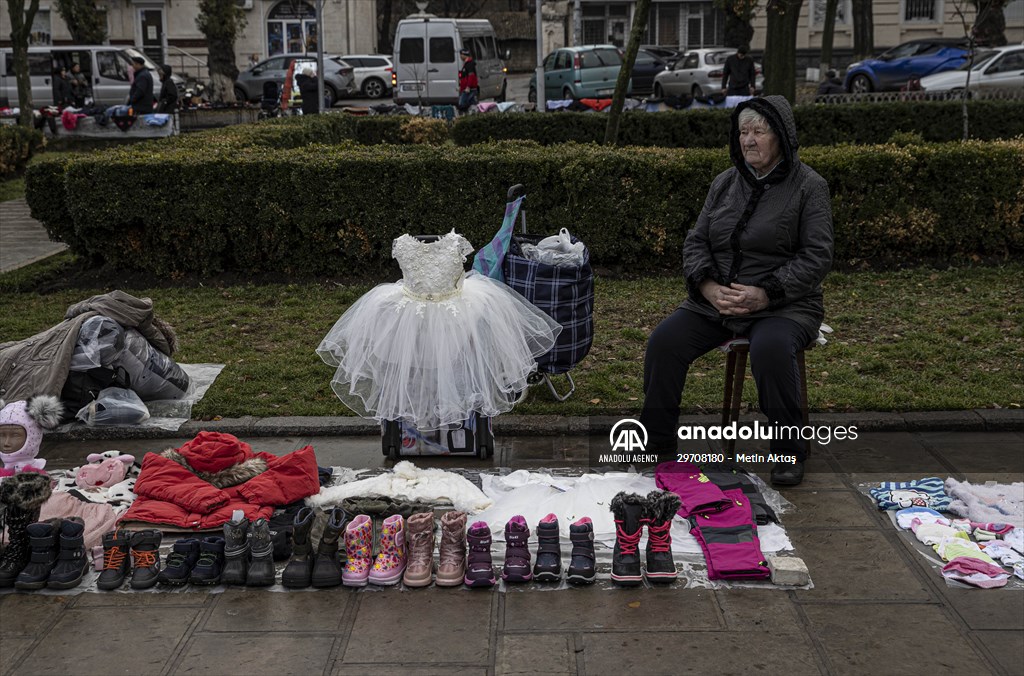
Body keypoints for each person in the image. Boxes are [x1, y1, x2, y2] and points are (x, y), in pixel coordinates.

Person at [639, 96, 834, 487]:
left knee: (771, 349)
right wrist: (708, 287)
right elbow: (696, 242)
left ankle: (787, 451)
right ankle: (657, 445)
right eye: (743, 132)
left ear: (780, 137)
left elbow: (818, 256)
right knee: (664, 342)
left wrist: (766, 294)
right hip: (717, 302)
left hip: (785, 305)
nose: (749, 140)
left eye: (758, 131)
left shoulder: (810, 187)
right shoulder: (725, 183)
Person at [457, 48, 479, 112]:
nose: (460, 56)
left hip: (469, 90)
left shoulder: (469, 64)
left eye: (461, 54)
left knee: (462, 104)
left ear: (464, 55)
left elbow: (471, 76)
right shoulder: (466, 64)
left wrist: (468, 87)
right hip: (466, 89)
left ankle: (464, 118)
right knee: (472, 104)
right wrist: (460, 86)